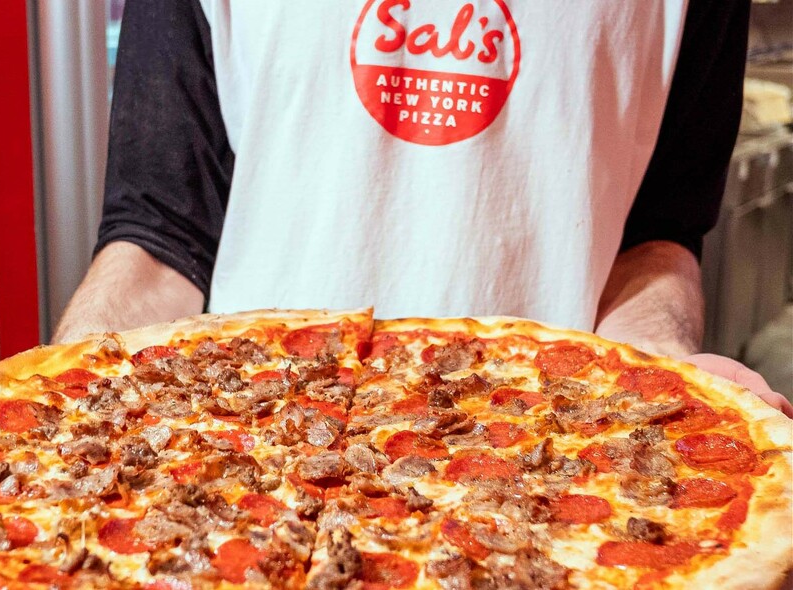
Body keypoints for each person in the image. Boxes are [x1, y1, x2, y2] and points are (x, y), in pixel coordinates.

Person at [55, 0, 791, 417]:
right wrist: (63, 403)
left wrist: (658, 363)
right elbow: (159, 235)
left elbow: (658, 234)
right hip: (246, 457)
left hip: (550, 455)